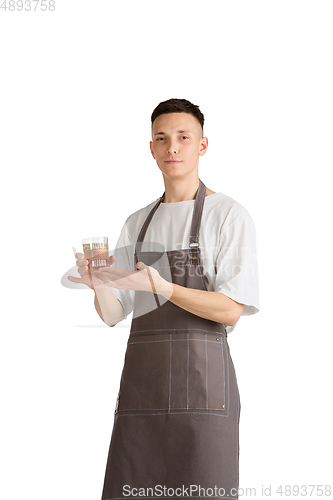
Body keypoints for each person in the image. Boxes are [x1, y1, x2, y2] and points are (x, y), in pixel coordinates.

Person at [68, 98, 259, 500]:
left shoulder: (228, 215)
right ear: (151, 148)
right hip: (142, 396)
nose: (172, 147)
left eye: (183, 137)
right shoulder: (137, 222)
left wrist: (164, 288)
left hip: (204, 396)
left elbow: (231, 309)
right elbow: (113, 314)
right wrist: (98, 282)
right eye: (162, 138)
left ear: (202, 146)